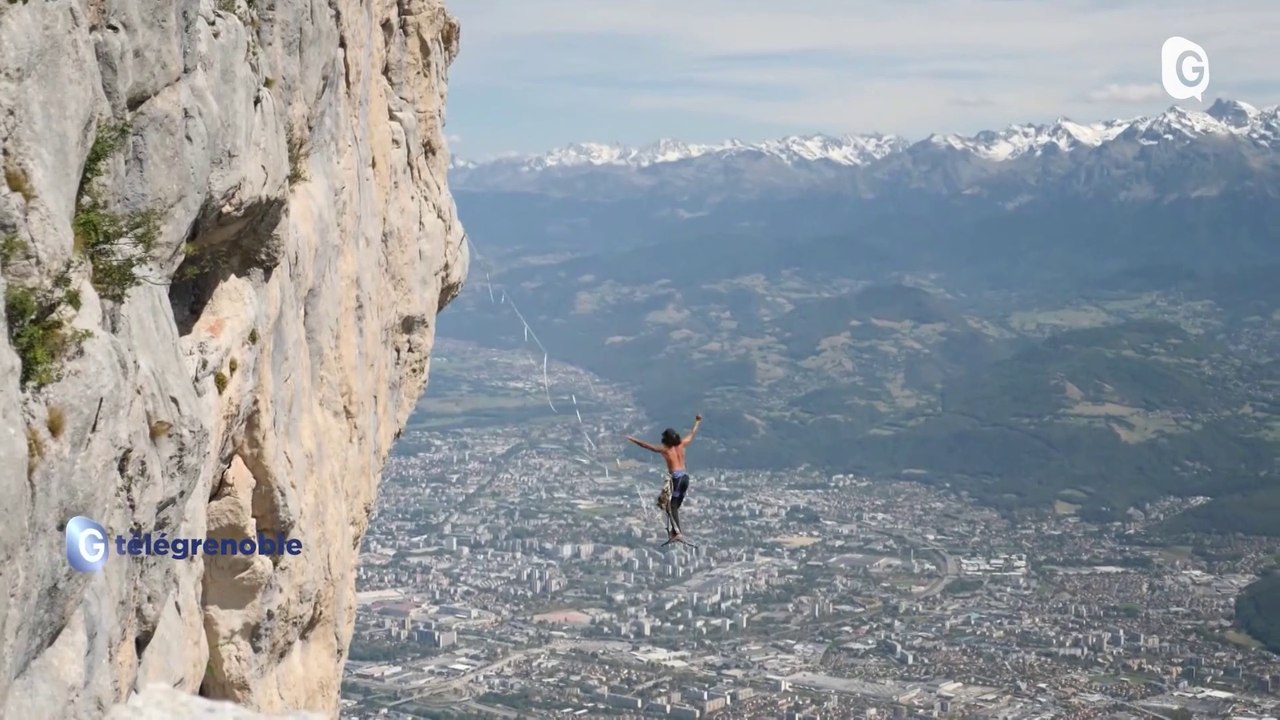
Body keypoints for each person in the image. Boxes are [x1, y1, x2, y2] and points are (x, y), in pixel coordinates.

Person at [626, 415, 702, 541]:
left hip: (676, 479)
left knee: (670, 507)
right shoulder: (682, 444)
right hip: (685, 478)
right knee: (674, 506)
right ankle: (675, 531)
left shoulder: (666, 450)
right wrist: (697, 422)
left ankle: (677, 532)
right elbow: (692, 433)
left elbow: (647, 446)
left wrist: (632, 439)